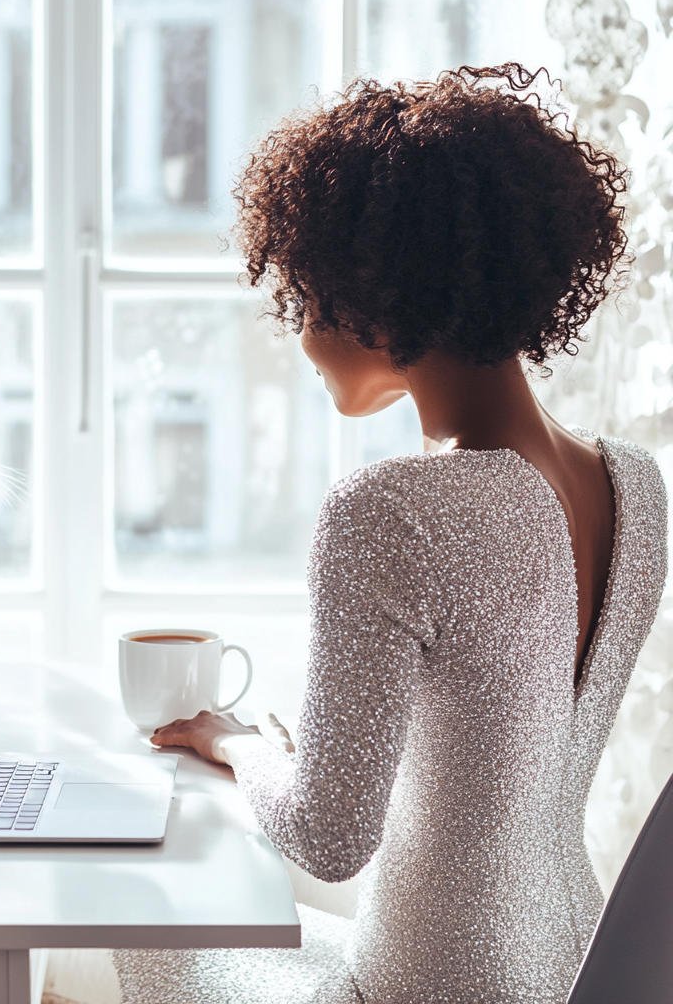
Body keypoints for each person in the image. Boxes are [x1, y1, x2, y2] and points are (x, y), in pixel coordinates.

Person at [112, 64, 668, 1004]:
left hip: (421, 990)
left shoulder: (389, 511)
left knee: (141, 919)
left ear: (372, 295)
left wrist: (236, 743)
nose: (297, 327)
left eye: (301, 293)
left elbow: (329, 838)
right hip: (569, 969)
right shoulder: (638, 485)